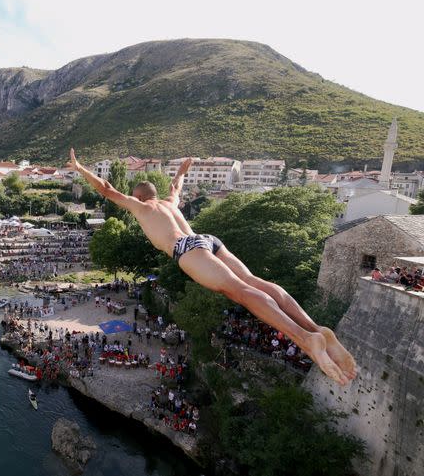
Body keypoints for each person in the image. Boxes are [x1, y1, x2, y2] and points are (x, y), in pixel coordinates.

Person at [68, 149, 356, 386]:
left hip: (185, 248)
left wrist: (80, 168)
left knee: (240, 292)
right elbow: (176, 187)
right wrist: (182, 171)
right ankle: (316, 328)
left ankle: (307, 339)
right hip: (206, 239)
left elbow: (107, 189)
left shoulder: (142, 207)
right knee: (254, 281)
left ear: (139, 196)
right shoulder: (171, 203)